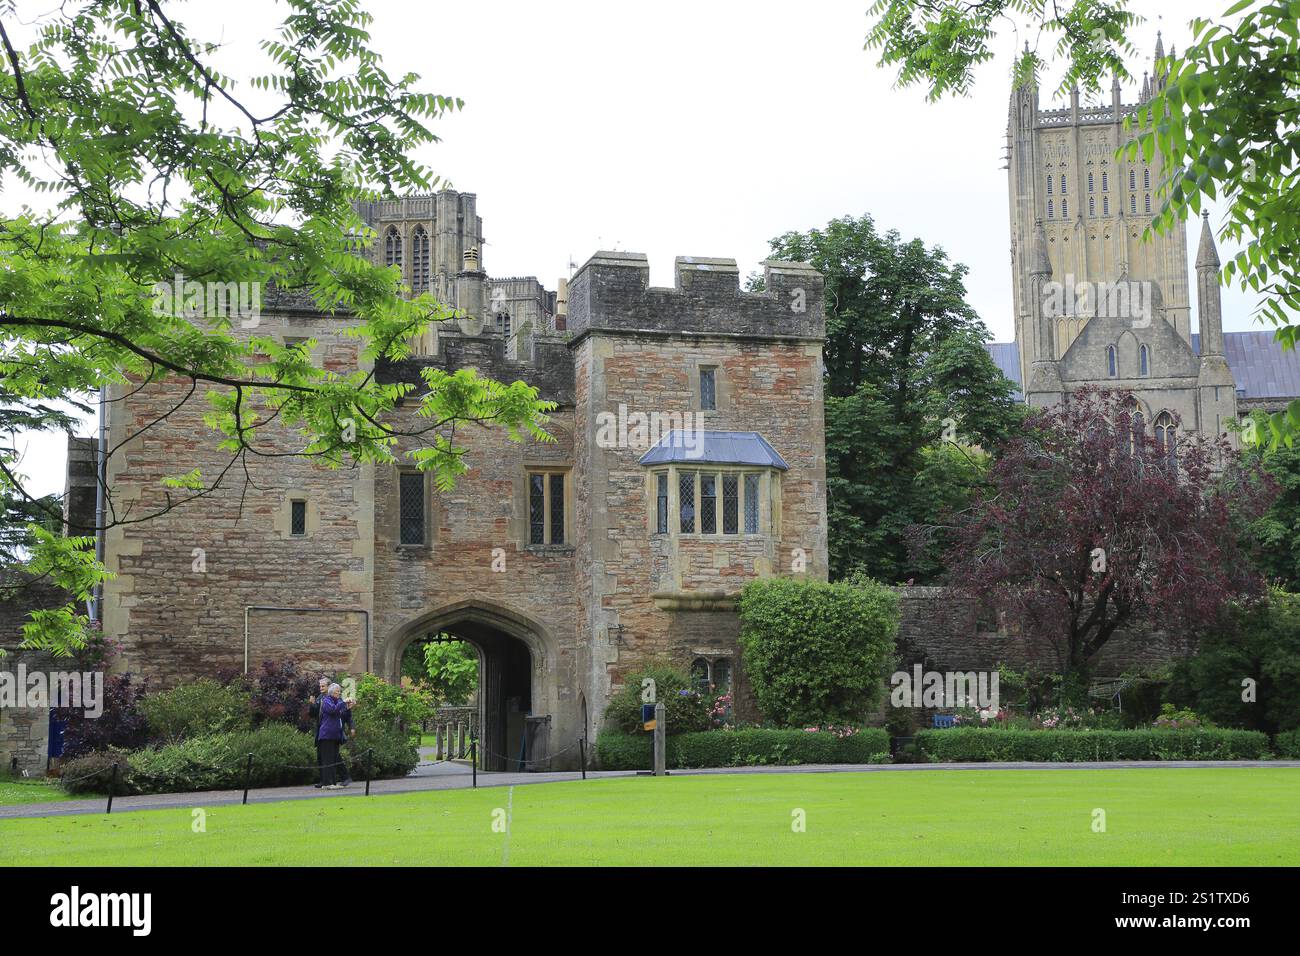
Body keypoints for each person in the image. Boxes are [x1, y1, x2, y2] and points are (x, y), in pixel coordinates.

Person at [317, 683, 352, 789]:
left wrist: (348, 707)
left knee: (333, 759)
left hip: (335, 735)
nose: (339, 693)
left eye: (339, 691)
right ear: (332, 692)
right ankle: (327, 783)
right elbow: (333, 710)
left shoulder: (338, 702)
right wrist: (343, 702)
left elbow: (342, 715)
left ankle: (332, 782)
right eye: (337, 691)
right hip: (326, 735)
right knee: (327, 759)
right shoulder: (327, 700)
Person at [308, 676, 331, 788]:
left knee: (329, 757)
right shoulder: (319, 698)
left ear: (328, 687)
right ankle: (323, 780)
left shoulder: (331, 698)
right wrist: (312, 705)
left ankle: (330, 780)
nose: (321, 688)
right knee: (320, 756)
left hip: (329, 732)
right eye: (320, 686)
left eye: (323, 686)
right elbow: (313, 714)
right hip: (320, 730)